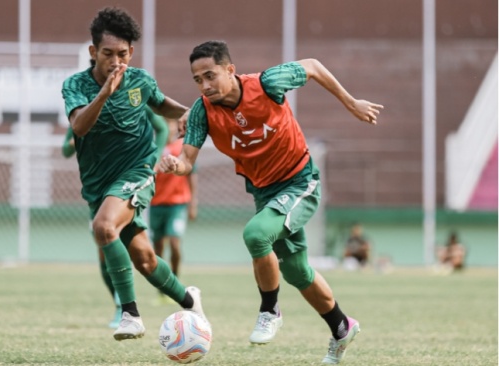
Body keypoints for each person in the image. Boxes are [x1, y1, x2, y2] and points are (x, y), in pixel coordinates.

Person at [158, 40, 383, 363]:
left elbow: (314, 66)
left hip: (300, 182)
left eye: (210, 76)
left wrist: (350, 103)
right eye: (197, 80)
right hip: (264, 193)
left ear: (230, 70)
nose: (205, 86)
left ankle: (270, 310)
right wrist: (173, 165)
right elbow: (187, 161)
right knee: (296, 271)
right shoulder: (201, 113)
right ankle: (342, 326)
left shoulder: (268, 83)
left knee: (255, 234)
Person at [61, 7, 204, 341]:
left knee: (103, 227)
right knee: (145, 259)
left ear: (131, 53)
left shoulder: (139, 79)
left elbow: (160, 103)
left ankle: (130, 314)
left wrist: (192, 113)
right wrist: (105, 93)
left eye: (122, 54)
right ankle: (189, 300)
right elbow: (79, 126)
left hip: (138, 170)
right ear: (93, 52)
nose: (115, 61)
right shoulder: (76, 85)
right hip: (99, 185)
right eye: (108, 54)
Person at [62, 107, 169, 328]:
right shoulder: (82, 110)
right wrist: (73, 144)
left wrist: (154, 158)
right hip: (98, 190)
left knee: (142, 253)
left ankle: (169, 299)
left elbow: (162, 128)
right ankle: (120, 306)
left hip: (129, 183)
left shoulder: (135, 98)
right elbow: (65, 149)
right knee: (104, 251)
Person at [150, 118, 198, 305]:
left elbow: (192, 175)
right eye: (165, 123)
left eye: (172, 123)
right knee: (157, 249)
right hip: (156, 205)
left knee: (175, 243)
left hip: (178, 204)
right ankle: (163, 289)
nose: (169, 127)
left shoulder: (181, 148)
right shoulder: (154, 148)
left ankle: (176, 282)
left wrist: (193, 203)